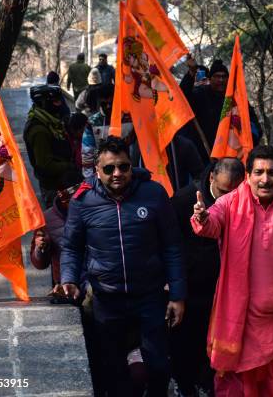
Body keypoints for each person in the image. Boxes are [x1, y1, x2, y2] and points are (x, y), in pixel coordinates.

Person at [191, 145, 273, 396]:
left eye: (271, 173)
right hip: (242, 321)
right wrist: (202, 218)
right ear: (248, 176)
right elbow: (212, 223)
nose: (265, 179)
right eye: (259, 172)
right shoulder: (229, 203)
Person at [61, 136, 185, 397]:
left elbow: (172, 246)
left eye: (123, 167)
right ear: (97, 170)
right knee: (114, 372)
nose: (117, 173)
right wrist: (69, 278)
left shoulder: (153, 193)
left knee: (160, 366)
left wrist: (177, 295)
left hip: (150, 296)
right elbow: (71, 247)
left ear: (131, 165)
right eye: (109, 168)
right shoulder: (82, 201)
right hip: (107, 299)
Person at [170, 158, 245, 397]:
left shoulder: (244, 202)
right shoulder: (183, 201)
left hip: (226, 291)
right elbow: (171, 246)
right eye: (222, 191)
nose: (226, 198)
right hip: (191, 289)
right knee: (187, 345)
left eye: (233, 192)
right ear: (211, 177)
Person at [179, 56, 262, 163]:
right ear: (210, 78)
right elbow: (183, 96)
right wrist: (191, 72)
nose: (221, 80)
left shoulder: (237, 98)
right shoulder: (200, 94)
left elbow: (254, 125)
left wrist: (250, 142)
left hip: (235, 157)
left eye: (224, 77)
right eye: (217, 76)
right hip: (206, 157)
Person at [23, 85, 82, 208]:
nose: (60, 105)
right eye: (55, 102)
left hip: (63, 181)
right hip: (54, 187)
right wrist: (69, 166)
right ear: (43, 103)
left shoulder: (51, 122)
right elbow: (45, 165)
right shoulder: (39, 130)